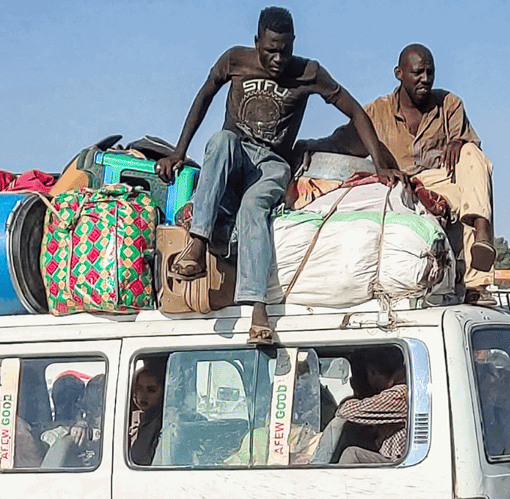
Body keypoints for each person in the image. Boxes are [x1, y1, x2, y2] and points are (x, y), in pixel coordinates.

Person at [156, 6, 399, 346]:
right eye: (270, 50)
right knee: (221, 139)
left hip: (272, 164)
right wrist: (179, 152)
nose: (277, 58)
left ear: (293, 44)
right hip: (236, 155)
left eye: (284, 50)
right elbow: (204, 96)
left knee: (254, 209)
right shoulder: (235, 60)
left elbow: (355, 110)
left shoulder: (308, 72)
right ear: (257, 42)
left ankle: (258, 309)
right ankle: (197, 246)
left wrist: (379, 162)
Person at [305, 43, 496, 304]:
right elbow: (340, 141)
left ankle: (479, 271)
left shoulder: (448, 104)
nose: (425, 79)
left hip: (441, 181)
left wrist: (460, 143)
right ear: (399, 73)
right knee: (470, 194)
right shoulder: (377, 112)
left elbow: (471, 160)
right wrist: (306, 147)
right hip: (403, 188)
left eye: (430, 72)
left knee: (473, 158)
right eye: (418, 73)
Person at [335, 354, 409, 464]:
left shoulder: (399, 394)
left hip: (395, 460)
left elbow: (346, 411)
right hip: (391, 455)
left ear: (372, 372)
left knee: (351, 454)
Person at [128, 364, 165, 466]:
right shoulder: (127, 418)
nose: (143, 395)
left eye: (151, 390)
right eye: (139, 388)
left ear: (163, 392)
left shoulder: (163, 423)